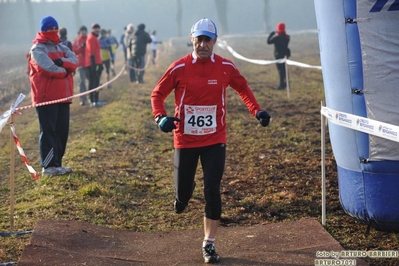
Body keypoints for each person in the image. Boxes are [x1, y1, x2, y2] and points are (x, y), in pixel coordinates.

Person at [151, 18, 271, 264]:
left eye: (208, 39)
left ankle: (209, 244)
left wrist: (256, 111)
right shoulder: (179, 68)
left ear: (215, 41)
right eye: (199, 39)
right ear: (192, 39)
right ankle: (182, 197)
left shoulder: (225, 67)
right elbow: (158, 94)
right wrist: (160, 118)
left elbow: (243, 88)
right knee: (183, 191)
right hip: (185, 139)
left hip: (215, 139)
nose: (203, 44)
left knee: (212, 190)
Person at [27, 15, 78, 176]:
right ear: (43, 30)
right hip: (46, 97)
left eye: (55, 28)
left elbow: (75, 60)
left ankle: (58, 163)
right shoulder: (37, 49)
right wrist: (66, 70)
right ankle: (48, 166)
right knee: (49, 131)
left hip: (64, 96)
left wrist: (62, 63)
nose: (54, 31)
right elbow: (48, 68)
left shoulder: (60, 47)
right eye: (50, 29)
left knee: (62, 130)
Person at [84, 23, 105, 107]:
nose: (97, 29)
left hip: (97, 63)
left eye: (98, 28)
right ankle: (93, 101)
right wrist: (94, 66)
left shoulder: (95, 38)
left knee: (96, 82)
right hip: (94, 64)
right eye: (95, 28)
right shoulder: (91, 38)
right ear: (92, 29)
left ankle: (96, 100)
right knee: (94, 83)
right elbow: (91, 53)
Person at [267, 22, 290, 90]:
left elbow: (268, 41)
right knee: (285, 70)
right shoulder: (287, 37)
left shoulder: (277, 38)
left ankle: (282, 85)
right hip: (284, 55)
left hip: (278, 56)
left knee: (280, 71)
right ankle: (287, 84)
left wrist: (272, 34)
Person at [72, 25, 88, 105]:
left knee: (91, 81)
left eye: (85, 31)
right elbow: (74, 51)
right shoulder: (77, 41)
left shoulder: (89, 39)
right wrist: (81, 47)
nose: (84, 32)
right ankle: (82, 98)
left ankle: (92, 97)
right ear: (80, 32)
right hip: (81, 64)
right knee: (81, 82)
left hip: (89, 64)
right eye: (82, 31)